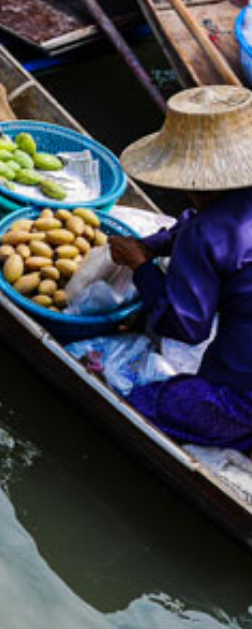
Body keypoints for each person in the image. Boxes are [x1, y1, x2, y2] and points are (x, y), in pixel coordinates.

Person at [107, 85, 252, 450]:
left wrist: (142, 267)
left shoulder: (205, 234)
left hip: (243, 400)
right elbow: (200, 224)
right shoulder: (208, 225)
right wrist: (155, 245)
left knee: (153, 403)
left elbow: (185, 328)